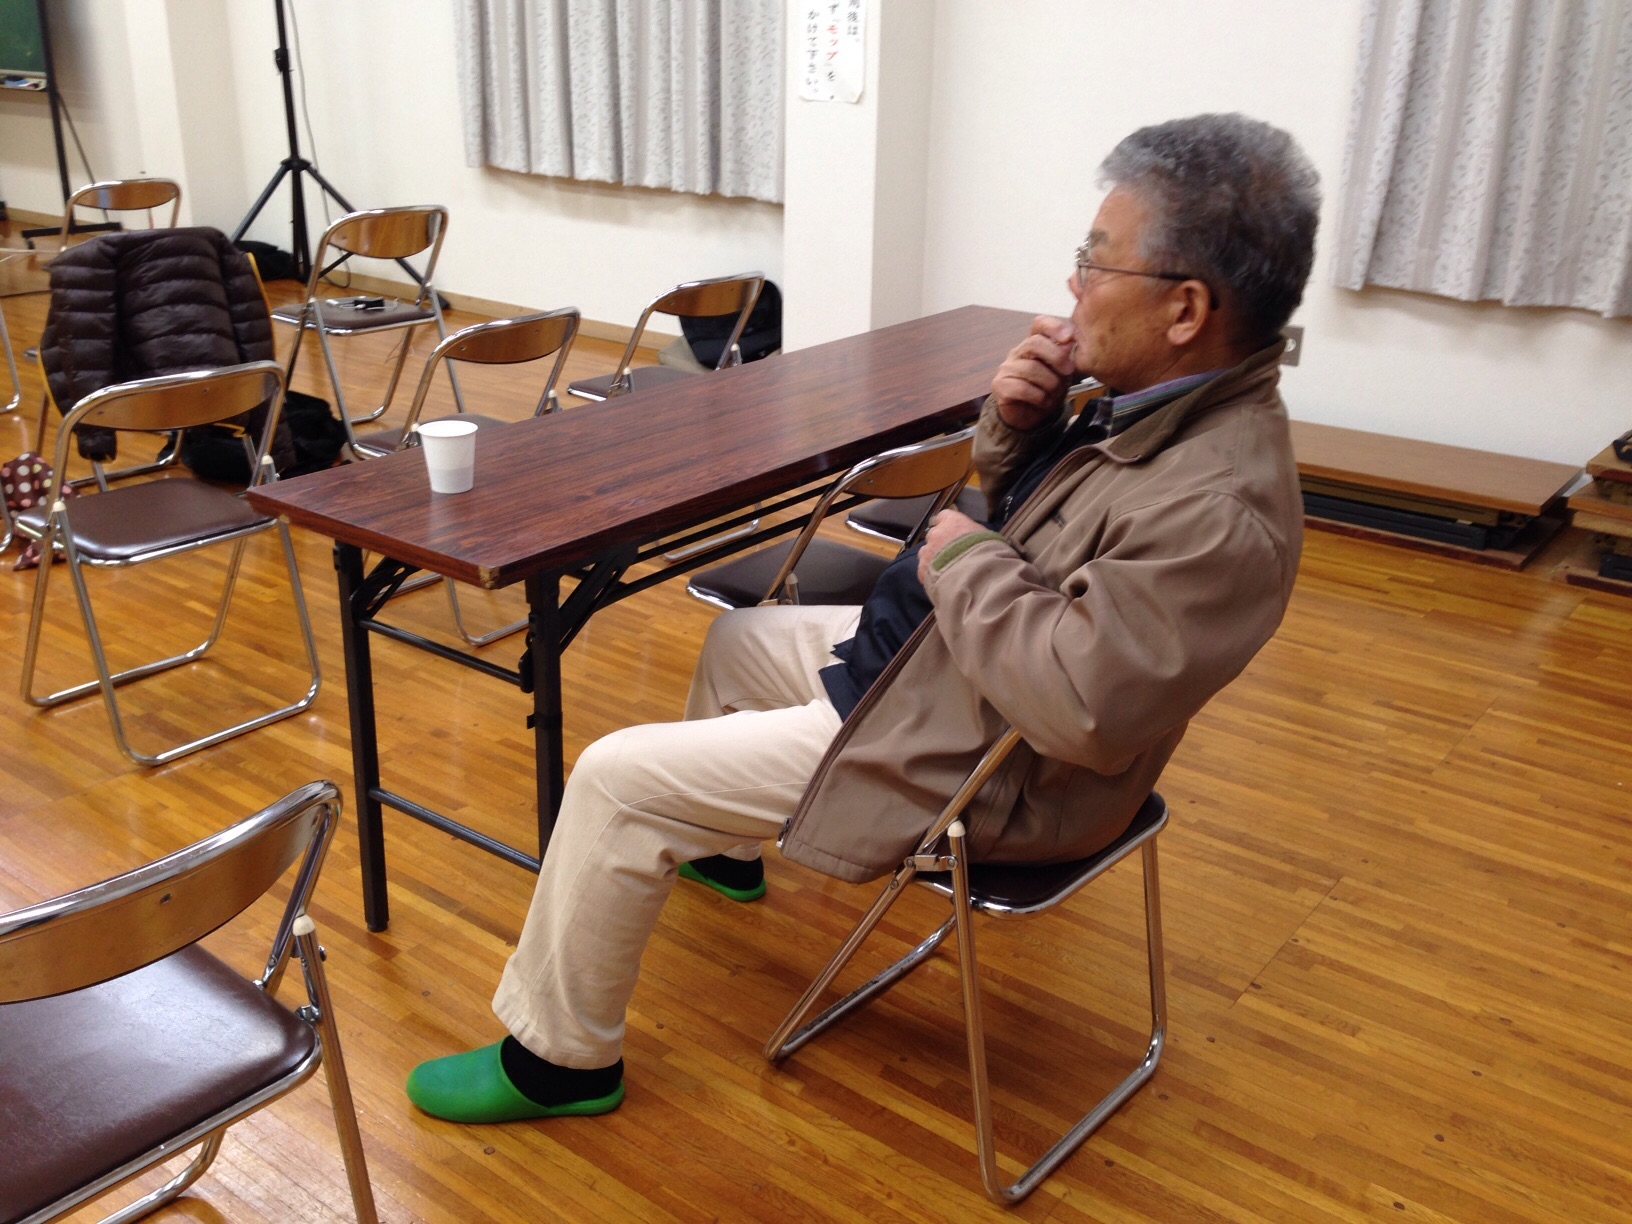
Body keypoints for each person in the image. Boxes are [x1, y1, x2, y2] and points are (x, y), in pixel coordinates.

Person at [405, 112, 1319, 1123]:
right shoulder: (1160, 404)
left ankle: (559, 1063)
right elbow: (1055, 530)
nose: (1074, 284)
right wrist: (1017, 432)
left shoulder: (1220, 505)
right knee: (739, 643)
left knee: (613, 777)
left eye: (1097, 262)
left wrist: (963, 559)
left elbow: (1082, 704)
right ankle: (719, 850)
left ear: (1186, 309)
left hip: (993, 768)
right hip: (950, 686)